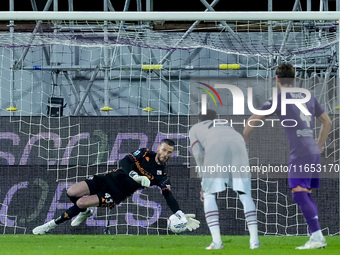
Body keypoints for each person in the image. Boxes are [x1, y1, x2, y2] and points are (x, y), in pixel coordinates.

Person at [243, 63, 332, 249]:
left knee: (299, 194)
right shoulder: (307, 96)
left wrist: (242, 143)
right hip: (313, 151)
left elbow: (252, 121)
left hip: (300, 151)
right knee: (305, 193)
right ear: (294, 78)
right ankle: (316, 236)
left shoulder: (278, 98)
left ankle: (316, 237)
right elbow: (327, 122)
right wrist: (319, 144)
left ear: (276, 79)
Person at [33, 139, 199, 234]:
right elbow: (124, 162)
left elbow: (168, 195)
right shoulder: (145, 153)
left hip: (117, 193)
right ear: (159, 148)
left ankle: (50, 225)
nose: (165, 154)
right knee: (72, 192)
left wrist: (179, 213)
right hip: (106, 179)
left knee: (81, 202)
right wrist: (136, 176)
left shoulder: (162, 175)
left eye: (169, 152)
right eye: (164, 150)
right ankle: (85, 213)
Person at [189, 109, 260, 250]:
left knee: (209, 194)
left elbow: (198, 155)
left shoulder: (195, 128)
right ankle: (254, 242)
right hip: (239, 145)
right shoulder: (227, 125)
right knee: (245, 195)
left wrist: (204, 182)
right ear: (216, 117)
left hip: (215, 147)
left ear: (198, 119)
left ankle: (216, 242)